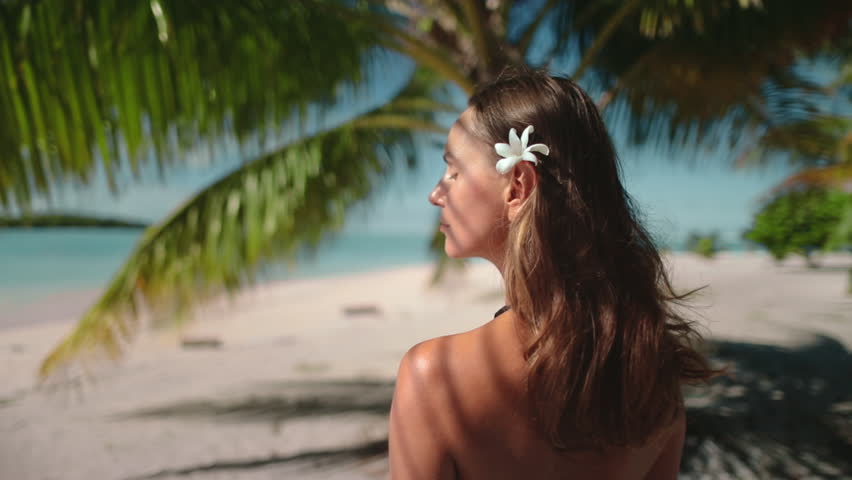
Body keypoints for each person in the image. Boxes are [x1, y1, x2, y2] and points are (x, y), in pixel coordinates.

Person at [387, 69, 717, 480]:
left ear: (517, 185)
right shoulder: (653, 375)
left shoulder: (433, 376)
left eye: (453, 171)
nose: (436, 194)